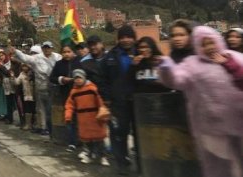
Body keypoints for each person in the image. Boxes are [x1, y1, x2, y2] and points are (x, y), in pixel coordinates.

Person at [158, 26, 243, 177]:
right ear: (197, 46)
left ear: (218, 41)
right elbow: (177, 80)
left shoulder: (235, 57)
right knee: (217, 169)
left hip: (239, 123)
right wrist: (166, 69)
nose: (209, 47)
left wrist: (228, 64)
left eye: (211, 42)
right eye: (204, 44)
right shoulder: (192, 64)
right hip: (210, 129)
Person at [102, 25, 137, 175]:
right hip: (117, 102)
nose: (126, 40)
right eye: (122, 37)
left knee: (139, 132)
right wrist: (107, 99)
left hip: (137, 102)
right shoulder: (110, 56)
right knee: (118, 133)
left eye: (129, 36)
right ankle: (121, 162)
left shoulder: (141, 52)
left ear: (133, 38)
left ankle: (142, 163)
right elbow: (103, 80)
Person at [64, 69, 110, 167]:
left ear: (84, 78)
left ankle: (103, 156)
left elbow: (100, 102)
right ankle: (89, 155)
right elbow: (69, 105)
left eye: (80, 78)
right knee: (86, 139)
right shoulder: (74, 92)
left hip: (95, 117)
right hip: (83, 118)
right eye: (76, 78)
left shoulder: (92, 89)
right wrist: (68, 116)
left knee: (99, 139)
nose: (78, 80)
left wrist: (103, 114)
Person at [49, 45, 78, 151]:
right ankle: (72, 142)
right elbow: (52, 78)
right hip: (66, 95)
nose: (66, 54)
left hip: (80, 95)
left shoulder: (78, 63)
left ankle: (83, 141)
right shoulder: (59, 64)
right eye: (64, 52)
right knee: (69, 119)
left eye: (69, 51)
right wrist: (61, 79)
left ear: (73, 52)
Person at [14, 64, 35, 130]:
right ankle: (28, 124)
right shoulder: (22, 74)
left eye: (26, 66)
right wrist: (12, 77)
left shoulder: (33, 73)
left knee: (34, 109)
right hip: (26, 94)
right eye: (23, 66)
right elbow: (17, 82)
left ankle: (34, 124)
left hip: (34, 94)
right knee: (27, 109)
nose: (24, 68)